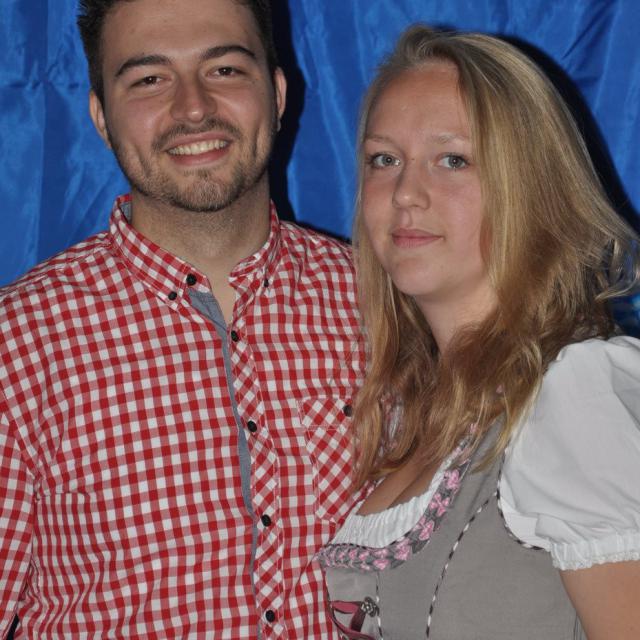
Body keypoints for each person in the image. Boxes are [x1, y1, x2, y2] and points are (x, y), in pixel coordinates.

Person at [0, 0, 364, 637]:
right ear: (101, 118)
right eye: (149, 79)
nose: (193, 108)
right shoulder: (17, 342)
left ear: (277, 94)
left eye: (224, 70)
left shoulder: (382, 307)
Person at [318, 25, 640, 639]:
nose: (406, 194)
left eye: (454, 160)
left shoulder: (573, 394)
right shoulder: (415, 412)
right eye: (384, 160)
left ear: (531, 187)